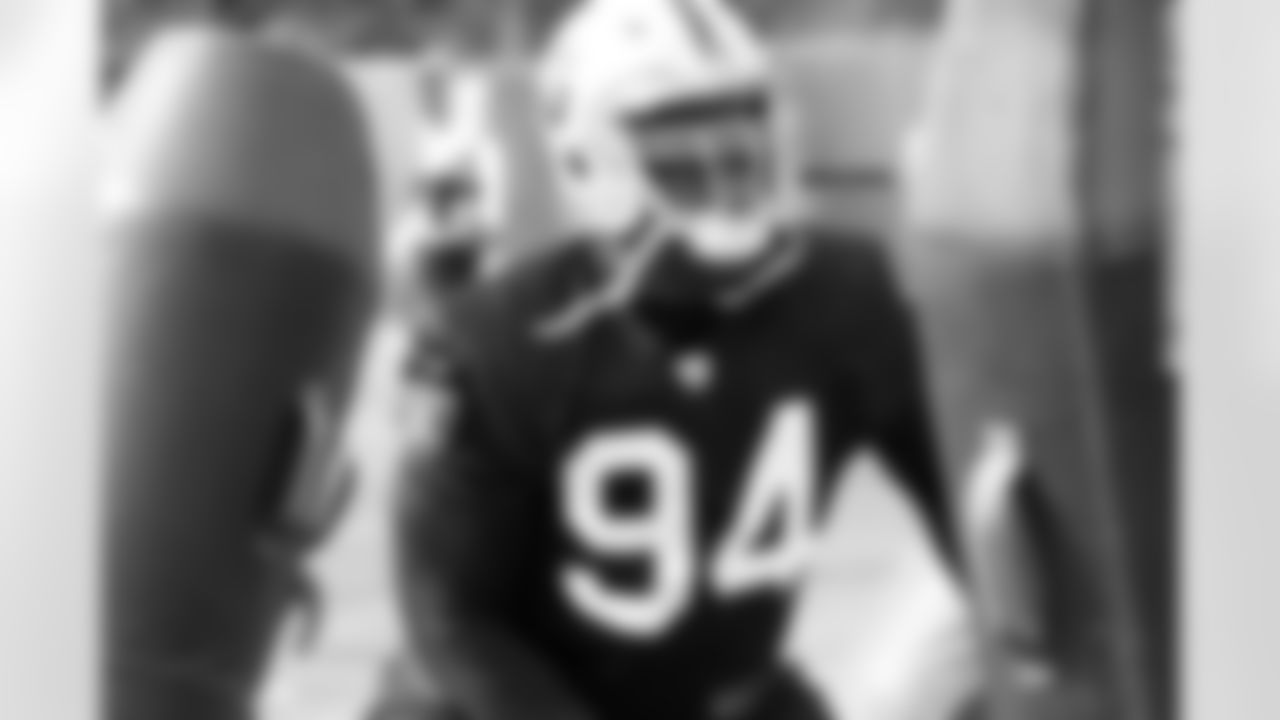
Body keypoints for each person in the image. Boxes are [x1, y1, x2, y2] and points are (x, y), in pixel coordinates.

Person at [385, 1, 969, 719]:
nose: (724, 182)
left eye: (741, 146)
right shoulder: (495, 342)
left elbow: (972, 510)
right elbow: (451, 623)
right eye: (682, 158)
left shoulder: (849, 298)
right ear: (590, 162)